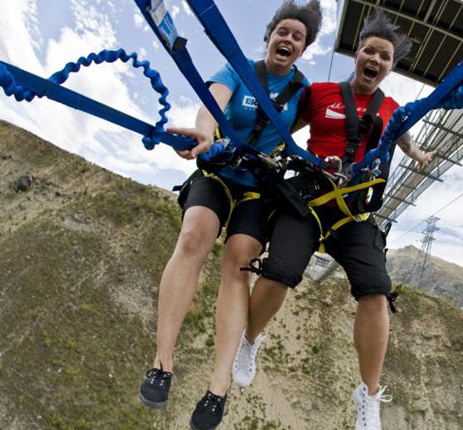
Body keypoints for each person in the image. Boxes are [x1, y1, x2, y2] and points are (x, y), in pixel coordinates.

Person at [229, 11, 435, 430]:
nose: (375, 59)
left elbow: (403, 137)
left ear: (389, 67)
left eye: (385, 56)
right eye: (370, 51)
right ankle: (249, 340)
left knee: (376, 291)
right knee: (280, 271)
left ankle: (369, 394)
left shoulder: (391, 108)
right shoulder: (320, 93)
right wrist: (246, 144)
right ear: (357, 54)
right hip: (309, 198)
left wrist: (418, 155)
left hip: (354, 212)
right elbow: (285, 125)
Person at [136, 2, 322, 430]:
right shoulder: (238, 70)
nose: (288, 39)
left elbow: (320, 125)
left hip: (257, 187)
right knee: (193, 238)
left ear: (303, 49)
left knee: (238, 263)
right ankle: (162, 363)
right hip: (219, 172)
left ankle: (217, 388)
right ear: (269, 36)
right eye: (283, 31)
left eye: (297, 37)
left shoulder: (304, 92)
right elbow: (212, 104)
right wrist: (205, 133)